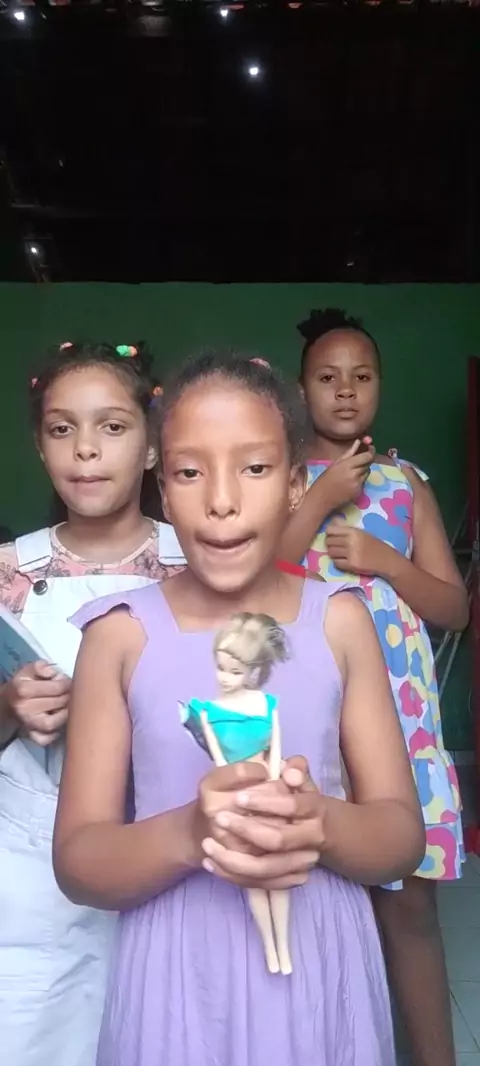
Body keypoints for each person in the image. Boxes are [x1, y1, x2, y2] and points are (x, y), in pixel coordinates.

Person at [54, 349, 425, 1066]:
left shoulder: (340, 620)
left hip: (319, 975)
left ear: (295, 485)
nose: (221, 500)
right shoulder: (118, 636)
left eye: (254, 468)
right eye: (190, 472)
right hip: (176, 989)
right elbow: (78, 862)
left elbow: (401, 836)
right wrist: (193, 831)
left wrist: (316, 820)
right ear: (164, 492)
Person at [279, 308, 469, 1066]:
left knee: (411, 911)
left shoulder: (406, 482)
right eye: (328, 377)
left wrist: (387, 562)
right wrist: (319, 500)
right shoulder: (281, 480)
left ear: (380, 385)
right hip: (317, 725)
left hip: (406, 727)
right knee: (314, 912)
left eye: (362, 376)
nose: (346, 390)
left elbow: (454, 607)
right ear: (302, 390)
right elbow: (263, 579)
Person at [0, 341, 186, 1066]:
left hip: (171, 842)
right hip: (32, 866)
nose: (85, 448)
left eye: (112, 426)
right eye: (61, 428)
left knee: (170, 1029)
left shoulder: (197, 563)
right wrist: (11, 705)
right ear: (40, 446)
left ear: (152, 446)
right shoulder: (10, 574)